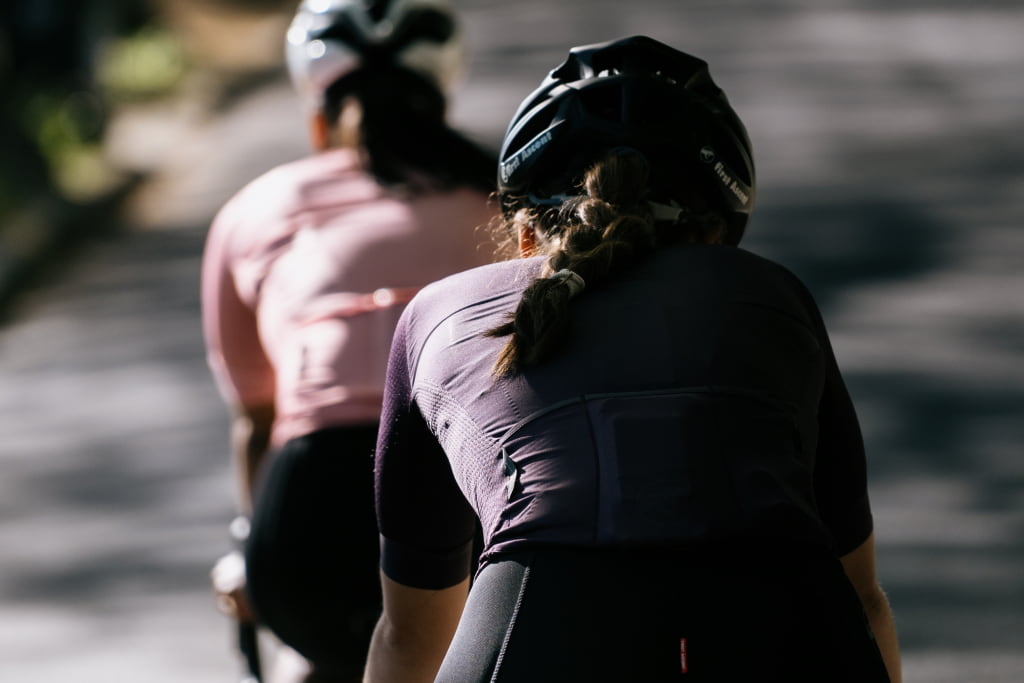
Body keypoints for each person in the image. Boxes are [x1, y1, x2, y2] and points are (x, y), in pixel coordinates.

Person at [365, 35, 902, 683]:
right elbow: (862, 595)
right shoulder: (770, 292)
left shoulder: (437, 314)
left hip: (538, 622)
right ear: (714, 236)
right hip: (783, 620)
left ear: (526, 230)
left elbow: (409, 633)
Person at [200, 1, 499, 680]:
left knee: (314, 660)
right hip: (462, 484)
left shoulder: (255, 208)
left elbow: (257, 417)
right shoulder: (505, 198)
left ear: (318, 112)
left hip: (309, 512)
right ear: (440, 99)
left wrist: (251, 546)